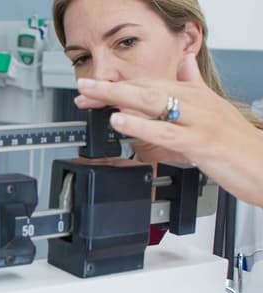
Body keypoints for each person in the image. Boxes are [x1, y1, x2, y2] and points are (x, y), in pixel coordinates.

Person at [52, 0, 263, 208]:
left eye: (126, 42)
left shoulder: (254, 167)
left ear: (188, 40)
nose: (99, 76)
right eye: (82, 58)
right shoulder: (90, 189)